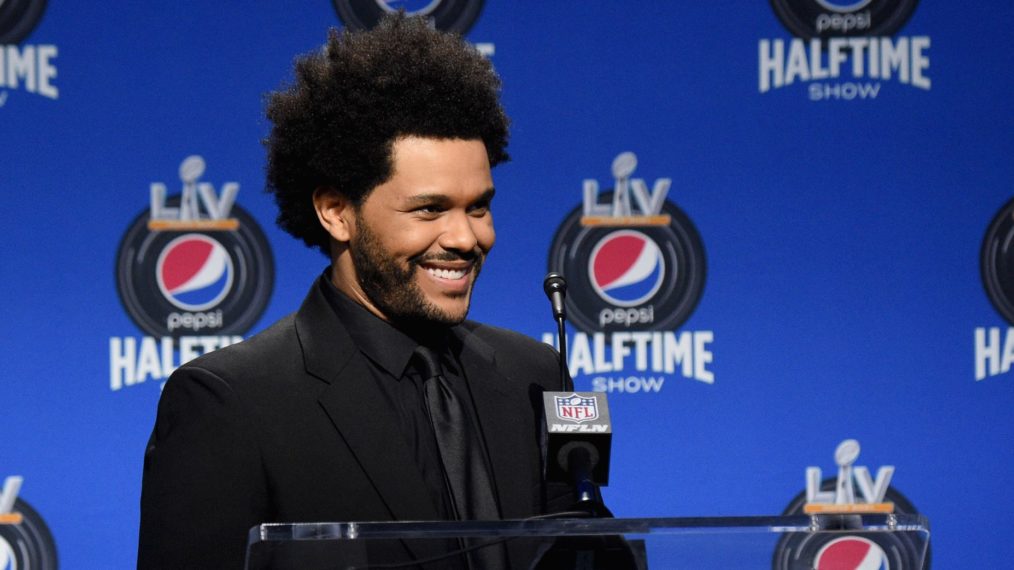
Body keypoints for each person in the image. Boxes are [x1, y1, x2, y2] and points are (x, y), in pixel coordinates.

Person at [137, 14, 572, 569]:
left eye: (479, 206)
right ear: (337, 212)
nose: (467, 238)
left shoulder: (533, 374)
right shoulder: (231, 403)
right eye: (430, 208)